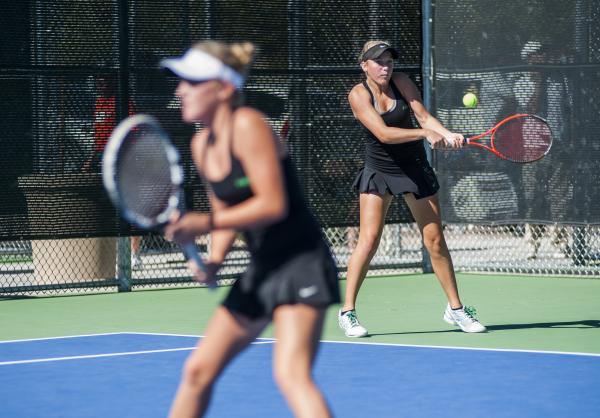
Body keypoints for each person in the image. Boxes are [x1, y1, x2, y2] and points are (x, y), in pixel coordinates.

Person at [161, 41, 339, 418]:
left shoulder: (249, 125)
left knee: (291, 374)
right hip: (263, 269)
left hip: (301, 261)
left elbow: (272, 204)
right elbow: (226, 210)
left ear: (223, 88)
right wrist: (214, 258)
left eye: (191, 82)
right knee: (197, 372)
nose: (180, 90)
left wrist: (203, 224)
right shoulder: (201, 145)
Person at [338, 40, 486, 337]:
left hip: (414, 168)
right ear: (364, 65)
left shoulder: (402, 81)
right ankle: (348, 312)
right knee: (368, 241)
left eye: (389, 60)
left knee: (435, 241)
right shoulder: (358, 94)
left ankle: (455, 309)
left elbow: (424, 116)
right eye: (378, 61)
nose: (385, 66)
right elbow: (383, 133)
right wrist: (425, 133)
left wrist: (446, 132)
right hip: (379, 171)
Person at [83, 75, 143, 268]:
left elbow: (133, 133)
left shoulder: (123, 103)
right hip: (102, 157)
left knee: (129, 207)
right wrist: (92, 158)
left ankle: (134, 254)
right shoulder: (98, 103)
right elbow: (98, 135)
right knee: (108, 208)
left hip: (123, 160)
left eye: (104, 82)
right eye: (97, 83)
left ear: (113, 83)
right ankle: (113, 253)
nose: (100, 86)